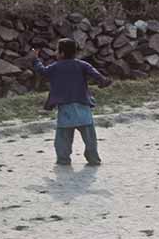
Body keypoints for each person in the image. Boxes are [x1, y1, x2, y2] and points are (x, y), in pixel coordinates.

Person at [32, 38, 112, 167]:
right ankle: (93, 159)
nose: (55, 52)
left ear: (62, 54)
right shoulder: (82, 65)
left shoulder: (55, 67)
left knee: (63, 138)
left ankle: (63, 160)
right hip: (83, 106)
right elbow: (97, 75)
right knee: (89, 137)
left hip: (65, 108)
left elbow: (43, 71)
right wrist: (103, 82)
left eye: (57, 50)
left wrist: (36, 59)